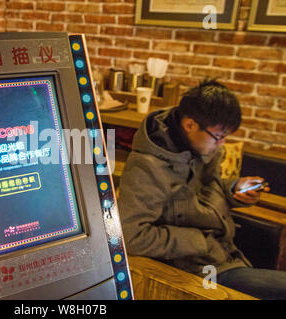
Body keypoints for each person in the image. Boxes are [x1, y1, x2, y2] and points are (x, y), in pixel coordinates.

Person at [118, 79, 286, 299]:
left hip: (226, 253)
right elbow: (130, 236)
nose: (222, 143)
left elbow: (208, 189)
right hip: (196, 271)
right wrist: (198, 241)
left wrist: (234, 188)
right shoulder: (146, 168)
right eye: (219, 136)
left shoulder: (201, 145)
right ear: (190, 125)